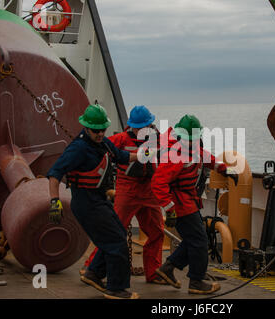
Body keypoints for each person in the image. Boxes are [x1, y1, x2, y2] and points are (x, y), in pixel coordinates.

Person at [47, 103, 139, 299]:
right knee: (116, 242)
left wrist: (145, 155)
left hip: (99, 200)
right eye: (96, 131)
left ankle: (93, 273)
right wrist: (54, 202)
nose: (99, 134)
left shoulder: (103, 143)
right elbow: (54, 175)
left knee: (117, 235)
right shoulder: (78, 149)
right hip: (86, 204)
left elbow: (122, 156)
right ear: (86, 127)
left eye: (102, 130)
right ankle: (116, 288)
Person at [151, 114, 238, 295]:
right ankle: (196, 281)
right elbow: (158, 183)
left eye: (194, 138)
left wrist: (225, 169)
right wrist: (170, 209)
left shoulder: (193, 148)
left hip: (189, 202)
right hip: (180, 205)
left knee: (193, 240)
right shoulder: (174, 156)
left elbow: (207, 158)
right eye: (189, 139)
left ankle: (168, 268)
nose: (192, 142)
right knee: (199, 241)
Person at [82, 105, 166, 285]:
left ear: (151, 125)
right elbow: (99, 147)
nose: (142, 129)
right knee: (114, 232)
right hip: (127, 191)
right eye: (138, 127)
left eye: (146, 125)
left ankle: (154, 273)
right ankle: (91, 267)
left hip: (149, 191)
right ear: (131, 126)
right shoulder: (119, 139)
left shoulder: (158, 140)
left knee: (156, 232)